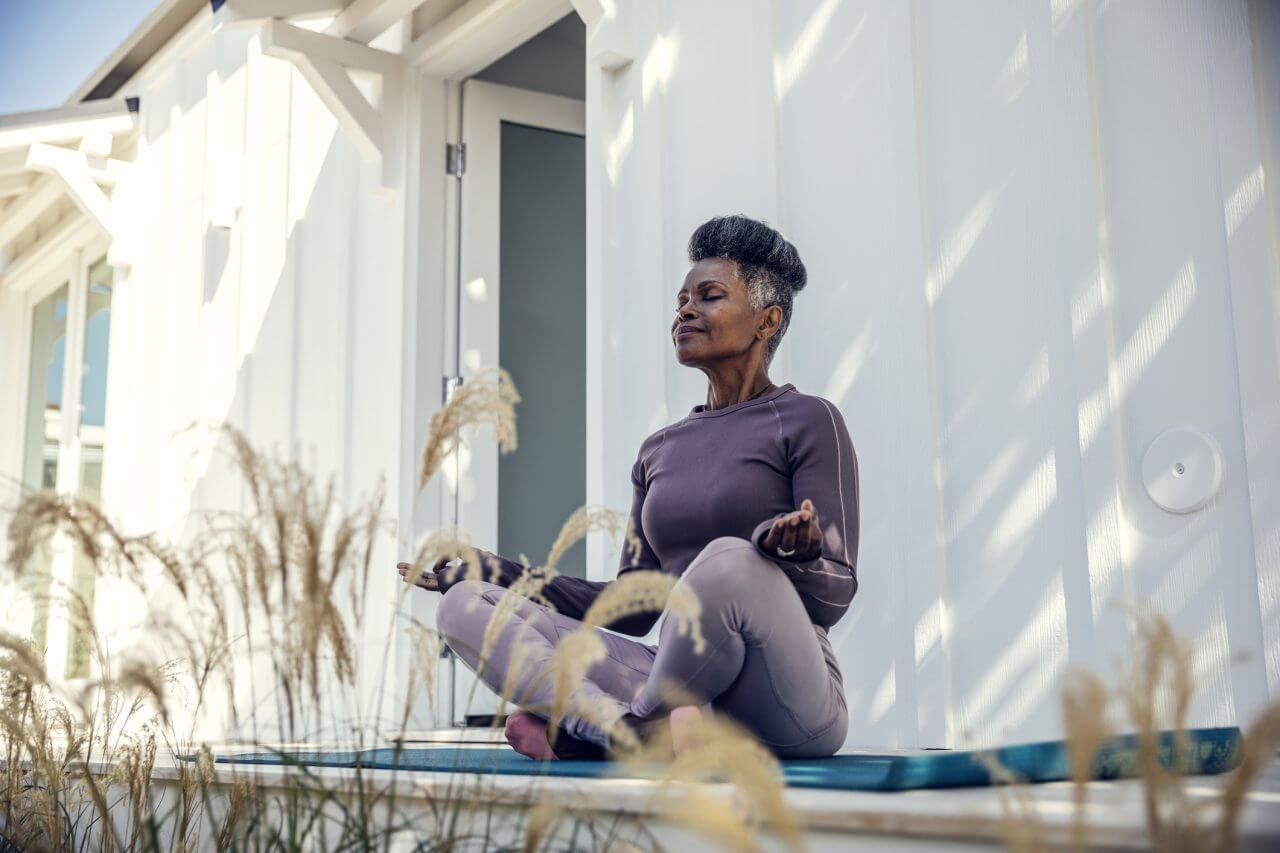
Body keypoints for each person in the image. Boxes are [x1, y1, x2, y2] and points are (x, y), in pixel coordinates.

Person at [396, 214, 859, 761]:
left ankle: (627, 729)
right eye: (681, 300)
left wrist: (796, 557)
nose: (685, 310)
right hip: (684, 691)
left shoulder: (808, 419)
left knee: (730, 559)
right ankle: (624, 729)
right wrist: (493, 570)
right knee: (464, 605)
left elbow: (835, 595)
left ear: (766, 320)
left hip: (788, 701)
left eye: (709, 296)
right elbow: (633, 606)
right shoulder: (660, 450)